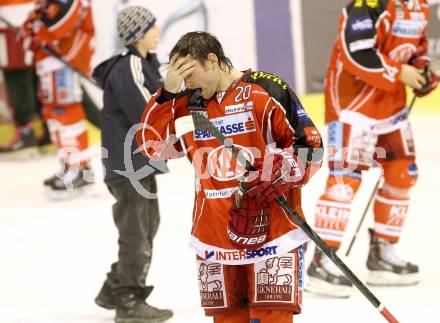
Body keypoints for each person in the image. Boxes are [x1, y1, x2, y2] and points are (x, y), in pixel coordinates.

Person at [136, 31, 323, 323]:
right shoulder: (184, 104)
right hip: (214, 236)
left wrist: (278, 172)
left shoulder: (266, 89)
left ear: (212, 60)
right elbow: (151, 147)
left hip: (273, 232)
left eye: (187, 72)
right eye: (177, 75)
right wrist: (167, 93)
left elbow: (311, 148)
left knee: (274, 318)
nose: (185, 82)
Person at [306, 0, 438, 298]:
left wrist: (423, 73)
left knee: (403, 173)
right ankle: (323, 259)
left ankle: (382, 252)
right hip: (353, 106)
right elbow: (357, 54)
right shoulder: (369, 5)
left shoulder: (419, 6)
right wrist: (399, 72)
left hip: (390, 106)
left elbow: (417, 51)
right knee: (346, 180)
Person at [92, 6, 173, 323]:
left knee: (146, 226)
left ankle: (113, 288)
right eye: (153, 26)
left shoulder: (145, 65)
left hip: (138, 163)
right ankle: (128, 299)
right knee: (136, 232)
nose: (158, 30)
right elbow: (149, 114)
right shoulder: (131, 67)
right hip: (129, 165)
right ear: (138, 33)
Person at [18, 0, 96, 197]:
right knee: (53, 114)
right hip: (48, 61)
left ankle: (81, 169)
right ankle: (68, 164)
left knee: (66, 112)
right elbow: (32, 22)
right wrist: (33, 29)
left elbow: (58, 27)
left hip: (64, 62)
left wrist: (36, 31)